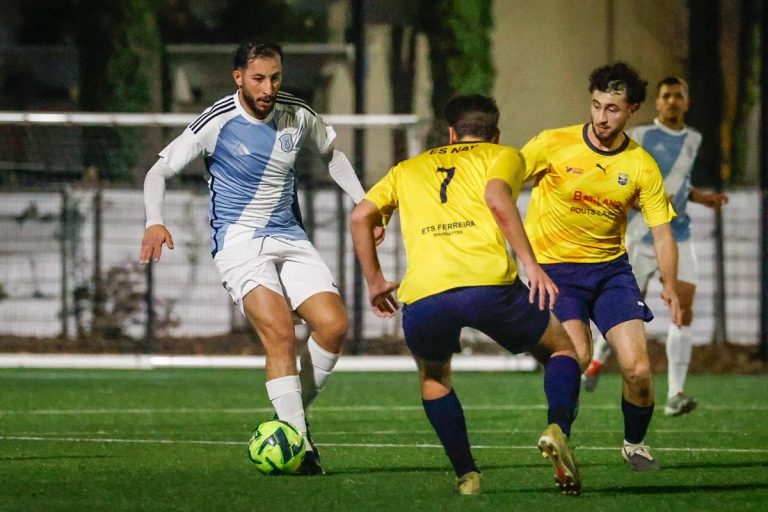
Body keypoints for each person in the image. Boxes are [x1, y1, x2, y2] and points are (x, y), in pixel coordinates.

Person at [139, 39, 382, 476]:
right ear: (239, 78)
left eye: (275, 77)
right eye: (258, 78)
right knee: (280, 333)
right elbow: (159, 169)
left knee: (334, 325)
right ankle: (301, 447)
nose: (268, 86)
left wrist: (366, 205)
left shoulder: (297, 113)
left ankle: (290, 420)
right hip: (238, 243)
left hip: (289, 236)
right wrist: (153, 220)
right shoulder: (216, 120)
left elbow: (334, 156)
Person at [350, 94, 582, 496]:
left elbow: (359, 217)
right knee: (562, 350)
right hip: (488, 285)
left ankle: (467, 475)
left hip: (426, 294)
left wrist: (375, 281)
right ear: (495, 134)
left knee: (434, 379)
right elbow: (496, 197)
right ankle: (558, 429)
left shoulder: (407, 168)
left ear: (452, 132)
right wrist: (532, 266)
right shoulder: (504, 155)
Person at [520, 63, 683, 472]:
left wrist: (671, 284)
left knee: (638, 370)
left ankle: (635, 445)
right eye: (595, 106)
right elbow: (499, 184)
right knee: (575, 355)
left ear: (633, 110)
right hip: (556, 272)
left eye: (612, 109)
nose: (601, 117)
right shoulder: (552, 143)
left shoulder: (641, 164)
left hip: (611, 273)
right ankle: (558, 438)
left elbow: (662, 233)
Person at [582, 77, 729, 417]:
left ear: (686, 102)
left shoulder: (693, 139)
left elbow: (682, 185)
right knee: (624, 311)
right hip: (639, 237)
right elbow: (621, 177)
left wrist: (703, 198)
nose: (673, 101)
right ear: (658, 103)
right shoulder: (642, 137)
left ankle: (675, 393)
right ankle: (598, 359)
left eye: (679, 95)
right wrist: (634, 203)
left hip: (678, 236)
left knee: (683, 312)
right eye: (667, 96)